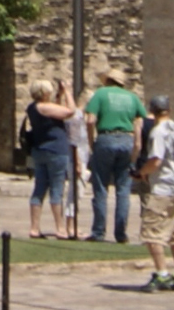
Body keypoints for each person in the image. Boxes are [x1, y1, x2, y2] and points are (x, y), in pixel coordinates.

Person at [133, 91, 174, 293]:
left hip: (165, 188)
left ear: (152, 111)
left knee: (151, 232)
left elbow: (156, 160)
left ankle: (162, 274)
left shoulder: (158, 131)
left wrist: (142, 172)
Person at [82, 69, 145, 242]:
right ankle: (121, 233)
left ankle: (99, 231)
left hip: (106, 138)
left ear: (108, 80)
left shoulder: (101, 94)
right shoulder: (132, 97)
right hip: (127, 139)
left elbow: (90, 120)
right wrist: (137, 147)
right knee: (123, 189)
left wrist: (91, 141)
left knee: (101, 187)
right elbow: (141, 120)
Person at [20, 80, 80, 238]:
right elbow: (70, 111)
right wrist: (68, 91)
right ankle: (60, 228)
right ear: (45, 93)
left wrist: (59, 95)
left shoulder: (33, 108)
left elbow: (56, 111)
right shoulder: (44, 107)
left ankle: (34, 227)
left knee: (39, 188)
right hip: (55, 151)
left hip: (39, 150)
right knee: (56, 189)